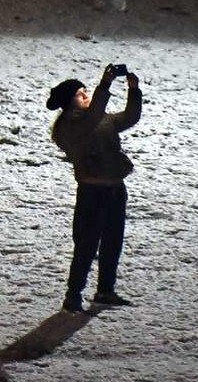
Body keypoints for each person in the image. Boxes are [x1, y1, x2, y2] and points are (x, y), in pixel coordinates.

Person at [47, 64, 143, 313]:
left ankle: (105, 290)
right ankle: (73, 294)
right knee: (87, 245)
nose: (86, 95)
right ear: (69, 103)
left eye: (87, 91)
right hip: (92, 193)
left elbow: (129, 118)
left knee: (113, 241)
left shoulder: (97, 118)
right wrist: (105, 84)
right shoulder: (70, 127)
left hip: (114, 189)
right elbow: (91, 119)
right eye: (81, 93)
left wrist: (134, 90)